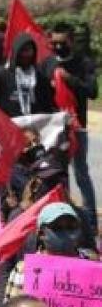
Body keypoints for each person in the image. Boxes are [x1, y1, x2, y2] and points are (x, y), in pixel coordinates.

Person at [43, 22, 99, 233]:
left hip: (78, 127)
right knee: (58, 174)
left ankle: (91, 224)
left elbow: (92, 91)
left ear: (71, 42)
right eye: (54, 43)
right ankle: (63, 220)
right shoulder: (47, 64)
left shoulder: (83, 63)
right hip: (54, 129)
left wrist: (70, 80)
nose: (58, 47)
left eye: (62, 43)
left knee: (81, 173)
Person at [0, 34, 55, 118]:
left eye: (28, 50)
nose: (25, 54)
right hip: (9, 126)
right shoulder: (2, 77)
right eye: (22, 50)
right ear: (16, 52)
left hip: (36, 128)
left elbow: (48, 106)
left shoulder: (41, 78)